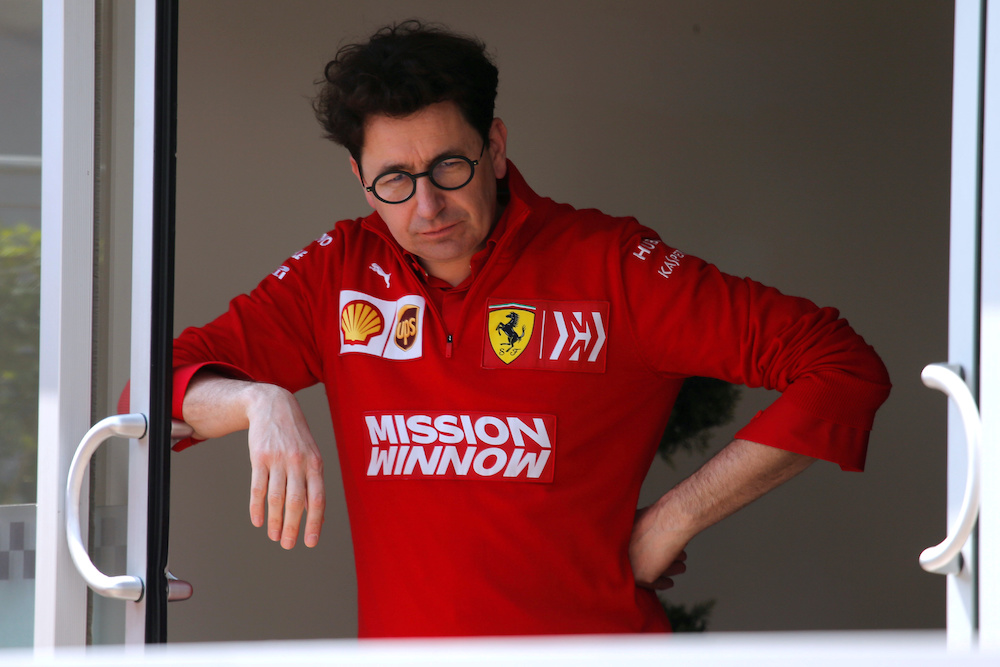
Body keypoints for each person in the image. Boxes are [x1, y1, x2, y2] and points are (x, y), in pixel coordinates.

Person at [170, 21, 891, 638]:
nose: (427, 207)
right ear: (362, 179)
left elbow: (839, 366)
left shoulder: (610, 266)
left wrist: (673, 519)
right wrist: (258, 400)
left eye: (450, 166)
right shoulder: (339, 273)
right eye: (395, 180)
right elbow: (157, 380)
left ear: (497, 147)